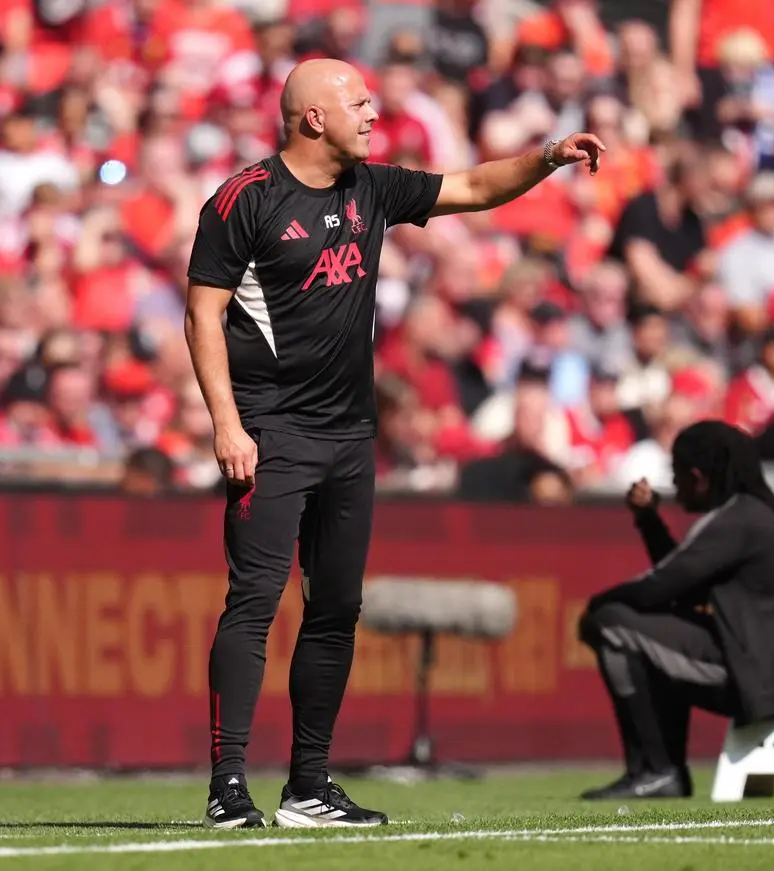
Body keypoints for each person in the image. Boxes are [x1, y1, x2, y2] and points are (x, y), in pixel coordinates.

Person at [185, 57, 604, 828]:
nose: (372, 113)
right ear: (313, 117)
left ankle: (308, 787)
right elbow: (201, 315)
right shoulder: (245, 199)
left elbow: (474, 187)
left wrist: (546, 157)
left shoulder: (370, 187)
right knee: (251, 604)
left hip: (350, 436)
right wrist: (226, 422)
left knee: (336, 608)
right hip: (272, 431)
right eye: (357, 102)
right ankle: (227, 785)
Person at [576, 419, 774, 800]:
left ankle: (654, 771)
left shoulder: (735, 519)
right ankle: (662, 772)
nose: (676, 484)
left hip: (763, 682)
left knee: (611, 622)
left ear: (699, 477)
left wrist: (597, 604)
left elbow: (661, 586)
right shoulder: (769, 515)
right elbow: (681, 586)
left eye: (677, 474)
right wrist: (649, 519)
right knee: (650, 638)